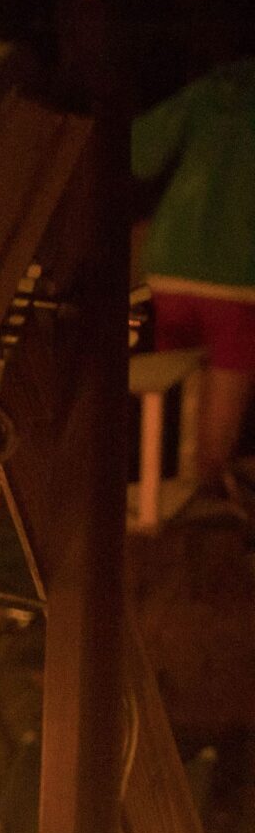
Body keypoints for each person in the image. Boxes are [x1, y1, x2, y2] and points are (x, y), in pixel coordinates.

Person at [134, 53, 255, 506]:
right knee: (223, 395)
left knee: (182, 388)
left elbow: (139, 152)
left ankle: (166, 499)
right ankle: (201, 500)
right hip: (239, 272)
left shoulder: (212, 87)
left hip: (172, 259)